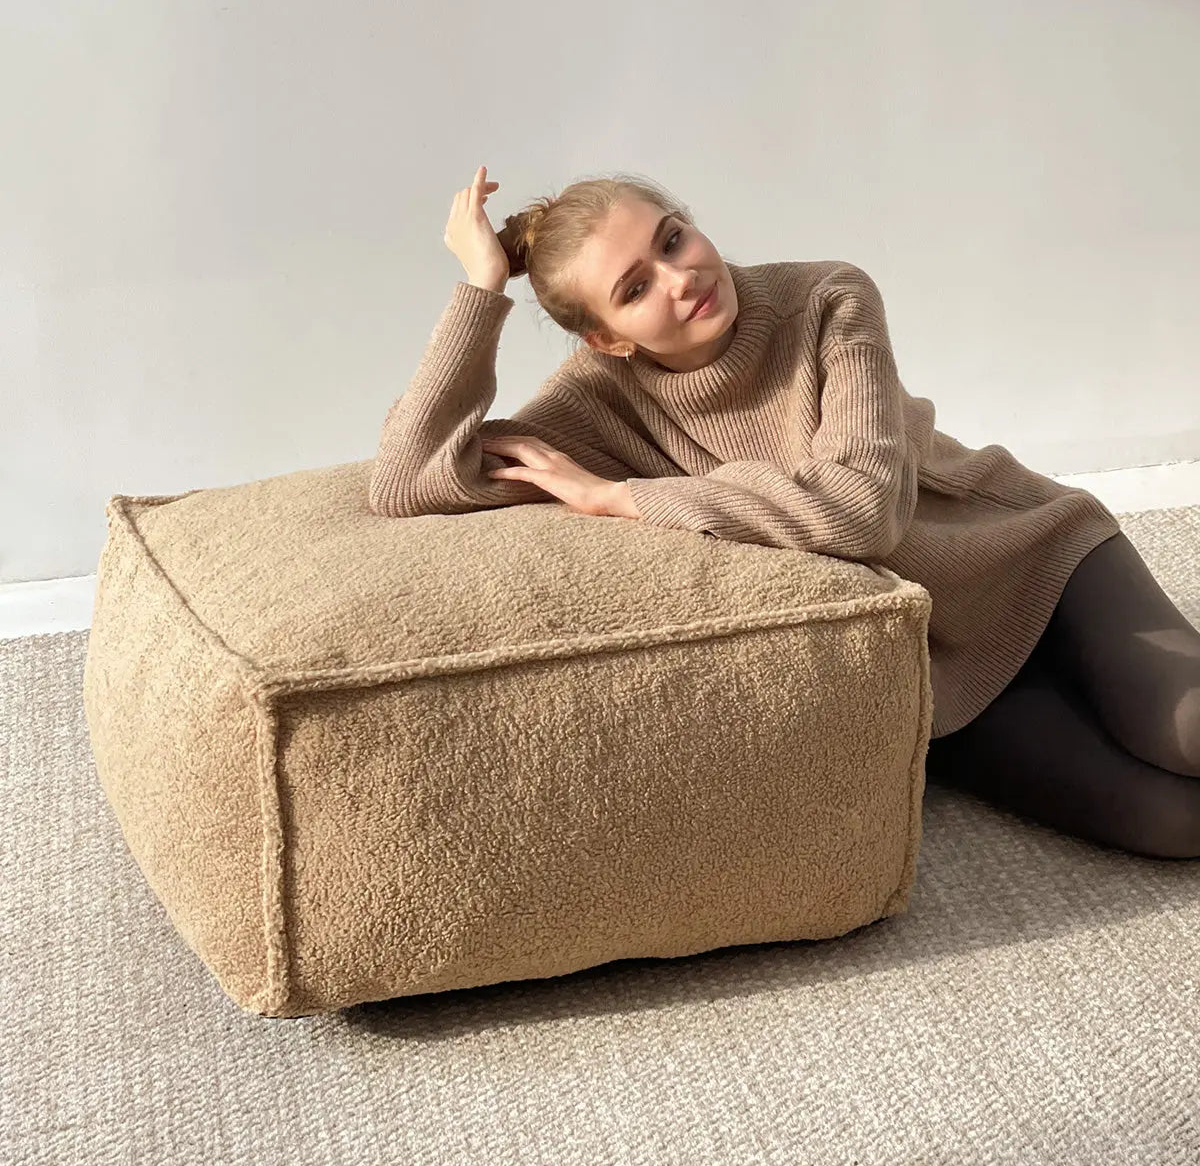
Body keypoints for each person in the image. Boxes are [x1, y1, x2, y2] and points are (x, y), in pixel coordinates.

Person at [369, 165, 1200, 859]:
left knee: (1188, 731)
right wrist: (481, 289)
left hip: (1025, 559)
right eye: (635, 287)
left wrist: (622, 498)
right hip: (932, 665)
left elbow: (864, 512)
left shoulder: (827, 300)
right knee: (1174, 825)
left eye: (672, 238)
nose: (682, 276)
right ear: (607, 339)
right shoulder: (594, 404)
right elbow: (408, 482)